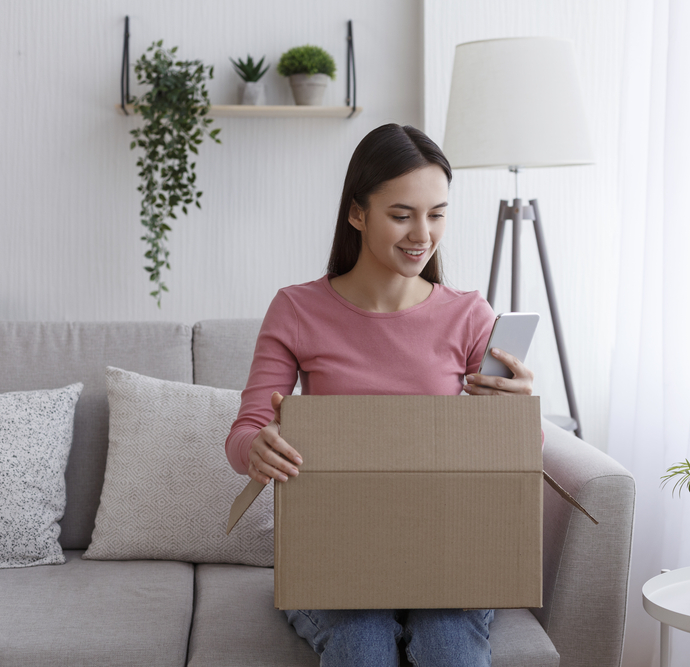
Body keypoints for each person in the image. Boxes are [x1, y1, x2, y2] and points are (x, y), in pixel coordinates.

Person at [225, 123, 535, 667]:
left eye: (436, 214)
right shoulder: (296, 310)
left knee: (449, 646)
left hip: (449, 550)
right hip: (333, 552)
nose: (422, 233)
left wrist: (518, 411)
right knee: (360, 643)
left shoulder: (469, 315)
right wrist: (257, 447)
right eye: (401, 214)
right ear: (357, 213)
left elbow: (499, 454)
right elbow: (245, 431)